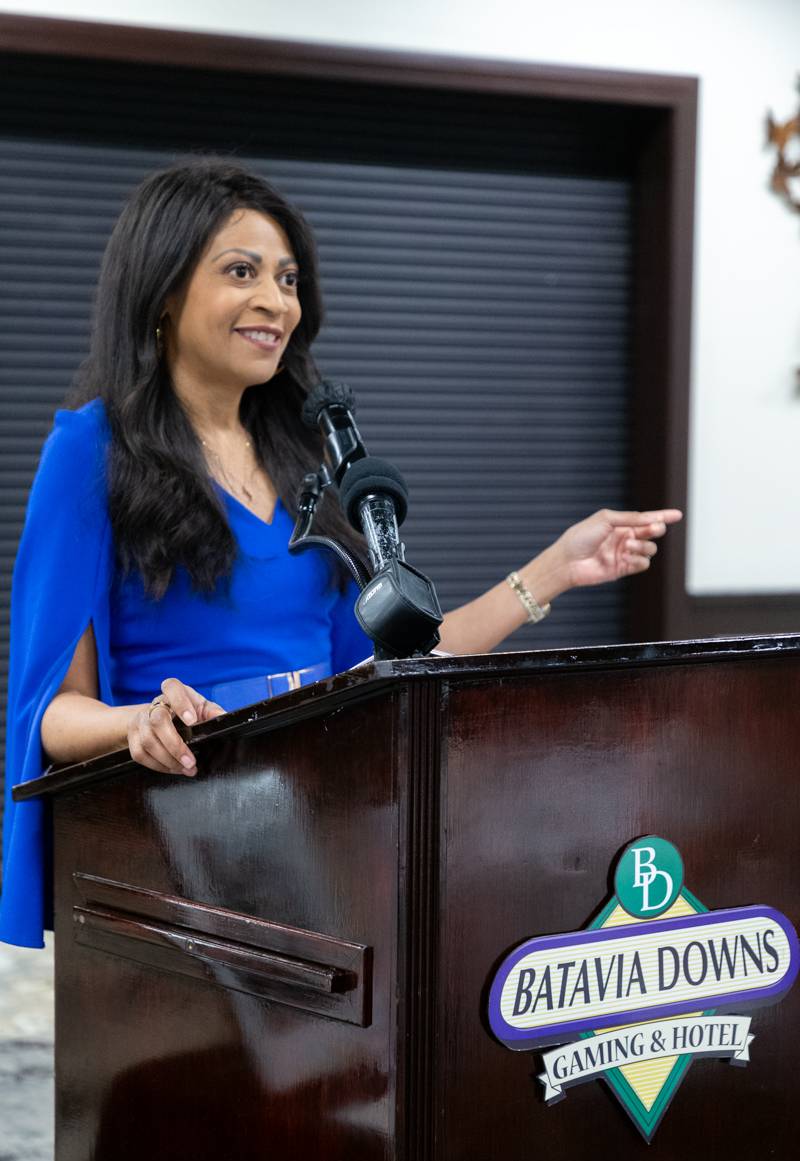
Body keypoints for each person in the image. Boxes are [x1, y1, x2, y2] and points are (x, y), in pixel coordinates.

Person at [0, 158, 681, 948]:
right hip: (183, 838)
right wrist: (138, 724)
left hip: (326, 816)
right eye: (242, 272)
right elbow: (51, 709)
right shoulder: (92, 450)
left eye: (287, 280)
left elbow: (387, 666)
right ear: (162, 292)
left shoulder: (306, 466)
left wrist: (556, 569)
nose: (275, 302)